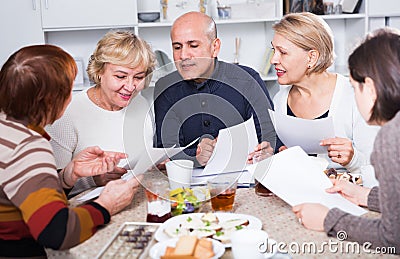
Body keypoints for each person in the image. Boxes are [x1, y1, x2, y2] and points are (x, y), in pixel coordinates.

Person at [0, 45, 141, 257]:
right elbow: (56, 232)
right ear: (52, 101)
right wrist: (106, 205)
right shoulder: (28, 147)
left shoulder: (7, 127)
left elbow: (21, 190)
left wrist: (68, 175)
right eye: (68, 89)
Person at [292, 28, 400, 253]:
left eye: (353, 88)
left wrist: (328, 219)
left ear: (369, 88)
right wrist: (365, 195)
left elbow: (392, 239)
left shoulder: (390, 139)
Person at [154, 11, 276, 167]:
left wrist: (266, 151)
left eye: (193, 45)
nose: (183, 55)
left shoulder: (247, 79)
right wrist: (197, 156)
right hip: (188, 186)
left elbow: (268, 138)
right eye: (177, 47)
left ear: (215, 47)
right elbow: (166, 151)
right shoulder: (165, 87)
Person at [270, 12, 380, 185]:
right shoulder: (279, 100)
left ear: (311, 57)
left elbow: (381, 170)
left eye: (283, 52)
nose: (273, 60)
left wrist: (353, 159)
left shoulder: (354, 96)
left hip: (348, 197)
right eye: (273, 50)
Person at [46, 30, 156, 197]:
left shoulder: (139, 103)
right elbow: (51, 187)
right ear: (99, 71)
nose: (130, 86)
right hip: (91, 209)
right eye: (120, 76)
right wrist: (93, 180)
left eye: (138, 77)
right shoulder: (68, 112)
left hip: (137, 199)